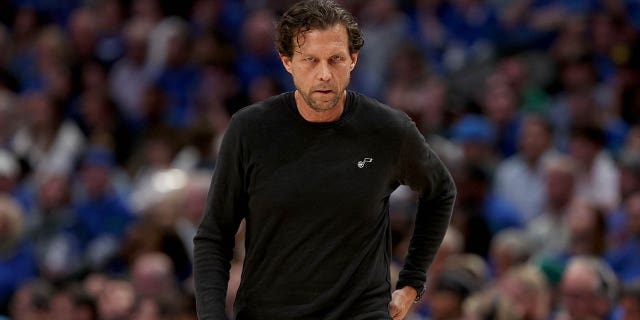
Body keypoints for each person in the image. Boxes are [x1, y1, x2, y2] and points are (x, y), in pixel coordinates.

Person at [193, 1, 457, 319]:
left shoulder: (387, 129)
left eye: (335, 60)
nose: (324, 74)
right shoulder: (250, 129)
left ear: (353, 60)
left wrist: (412, 281)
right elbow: (214, 235)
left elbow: (440, 191)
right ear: (287, 62)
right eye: (310, 60)